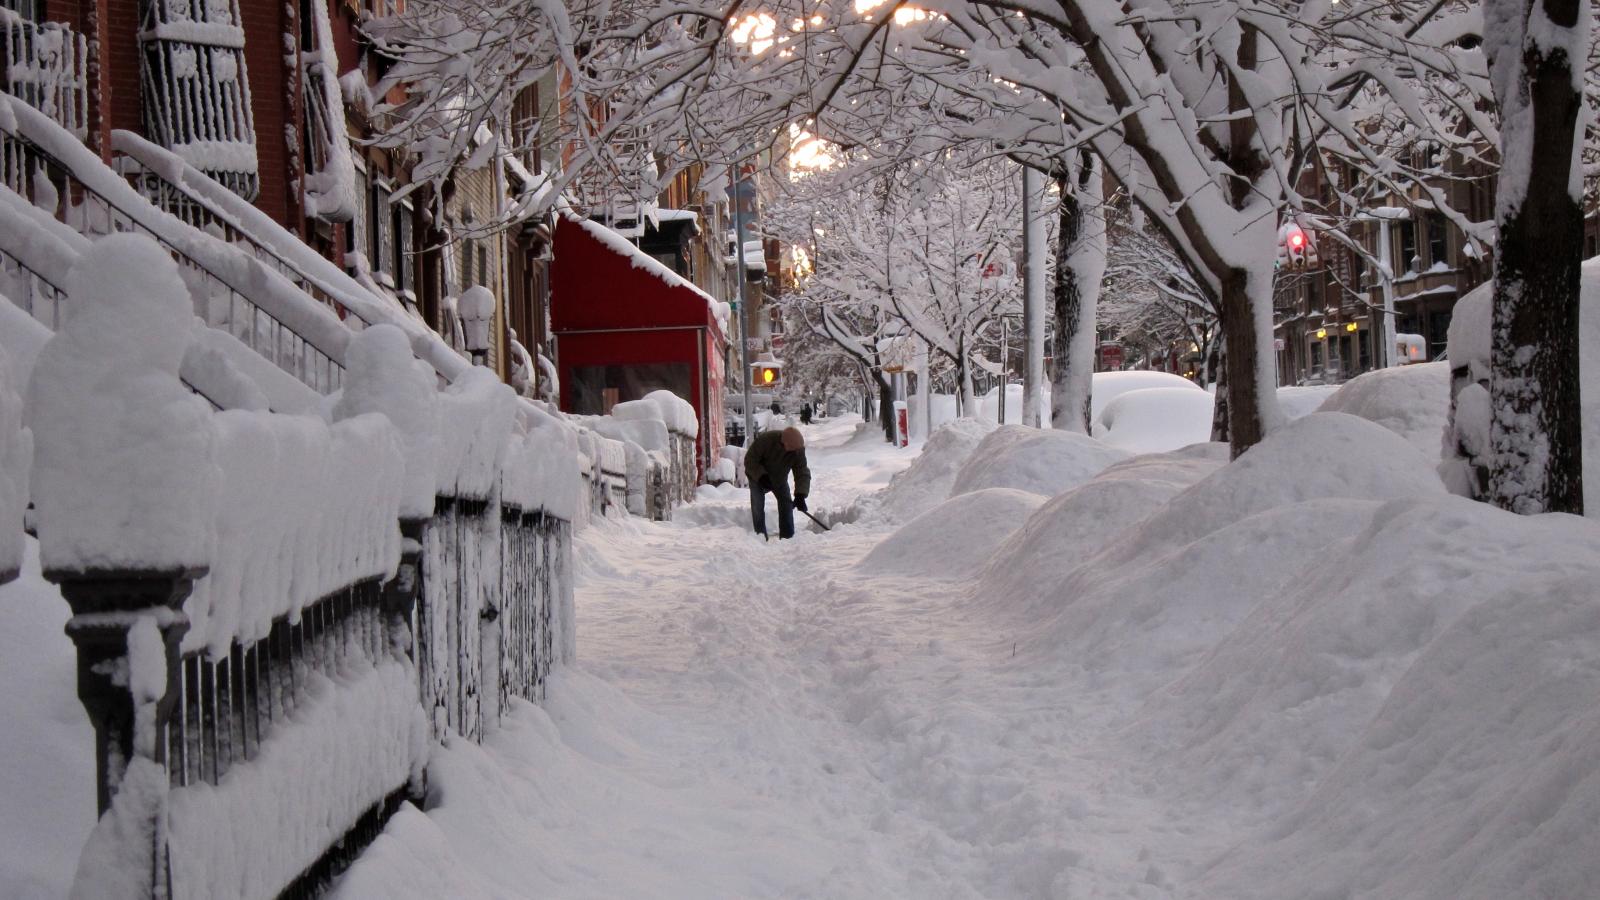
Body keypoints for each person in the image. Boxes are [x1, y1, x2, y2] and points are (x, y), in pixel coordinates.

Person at [744, 426, 810, 539]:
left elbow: (802, 471)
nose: (795, 452)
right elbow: (750, 460)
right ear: (784, 444)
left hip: (779, 479)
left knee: (786, 504)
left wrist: (801, 495)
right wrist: (761, 476)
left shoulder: (797, 449)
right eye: (792, 449)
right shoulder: (766, 440)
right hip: (758, 478)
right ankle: (760, 536)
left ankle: (787, 537)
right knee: (757, 506)